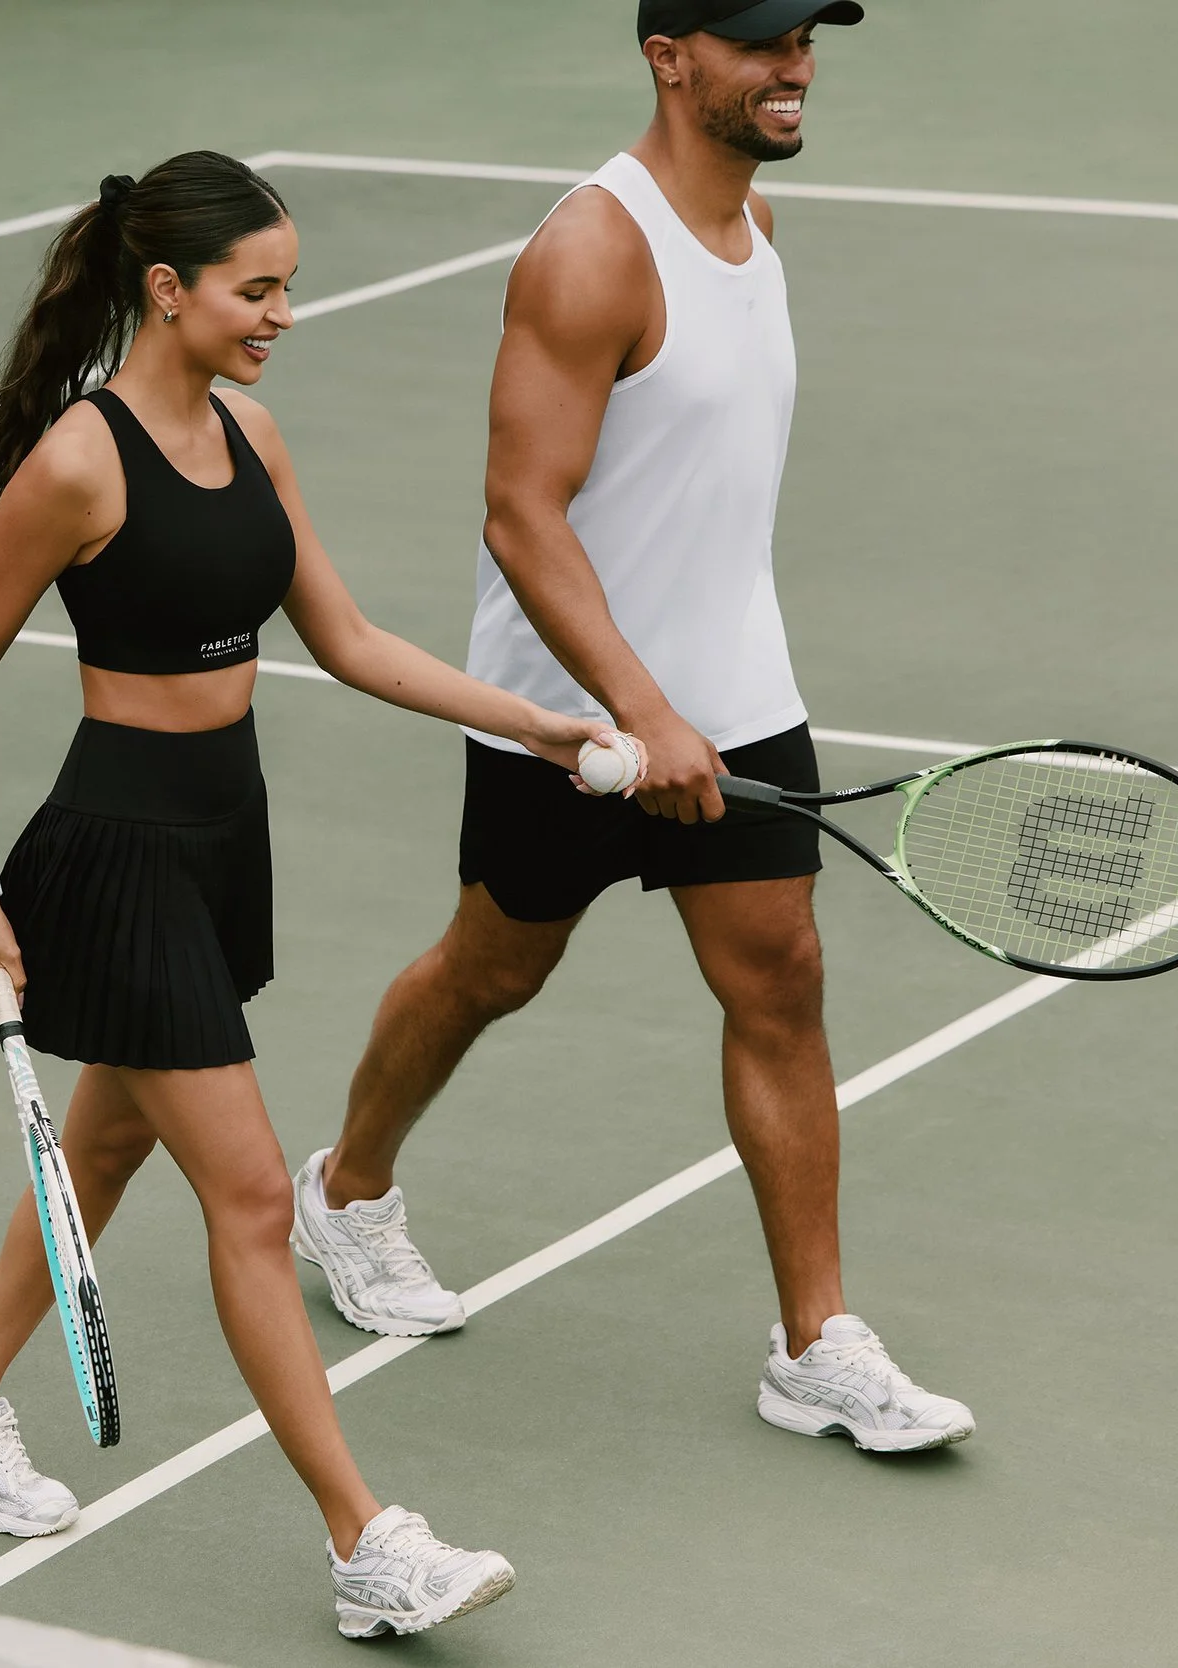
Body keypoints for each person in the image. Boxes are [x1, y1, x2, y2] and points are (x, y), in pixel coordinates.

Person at [0, 151, 638, 1638]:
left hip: (225, 836)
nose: (283, 311)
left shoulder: (254, 432)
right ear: (165, 291)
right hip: (117, 852)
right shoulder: (79, 464)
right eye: (257, 287)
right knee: (244, 1194)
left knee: (99, 1154)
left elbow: (348, 639)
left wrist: (535, 722)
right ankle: (368, 1540)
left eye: (286, 284)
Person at [290, 0, 979, 1454]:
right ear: (670, 57)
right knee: (493, 967)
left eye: (806, 38)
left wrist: (701, 706)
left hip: (739, 694)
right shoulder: (594, 250)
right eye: (759, 42)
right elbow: (519, 513)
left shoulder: (756, 231)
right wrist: (637, 712)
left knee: (781, 982)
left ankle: (816, 1344)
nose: (793, 65)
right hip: (566, 713)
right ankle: (348, 1192)